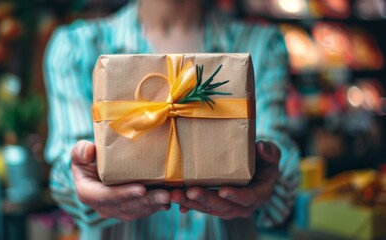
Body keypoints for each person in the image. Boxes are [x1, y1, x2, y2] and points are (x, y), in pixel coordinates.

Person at [43, 0, 300, 239]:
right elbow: (66, 166)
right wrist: (81, 181)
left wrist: (269, 179)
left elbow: (279, 163)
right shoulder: (76, 48)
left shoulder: (262, 46)